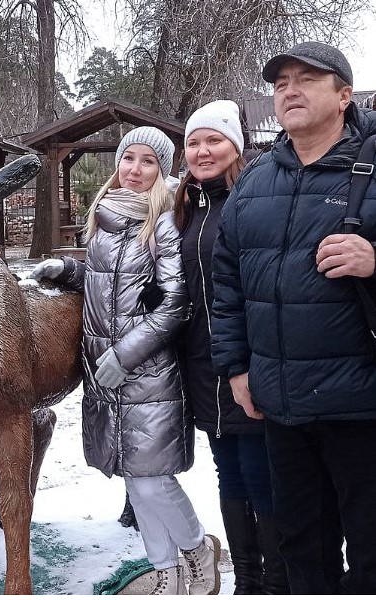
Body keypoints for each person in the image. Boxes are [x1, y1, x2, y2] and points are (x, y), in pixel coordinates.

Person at [210, 42, 376, 594]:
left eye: (308, 79)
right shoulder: (255, 183)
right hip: (282, 407)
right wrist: (236, 368)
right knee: (303, 548)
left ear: (345, 95)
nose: (290, 90)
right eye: (281, 83)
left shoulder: (371, 171)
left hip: (362, 405)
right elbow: (226, 284)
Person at [31, 126, 220, 595]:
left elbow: (174, 303)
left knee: (154, 482)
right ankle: (167, 573)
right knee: (135, 483)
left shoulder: (166, 222)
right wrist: (69, 272)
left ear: (163, 170)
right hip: (104, 369)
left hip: (148, 371)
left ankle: (199, 553)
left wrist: (124, 353)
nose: (134, 170)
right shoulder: (105, 216)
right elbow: (110, 285)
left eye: (148, 162)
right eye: (128, 159)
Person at [175, 100, 288, 594]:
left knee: (262, 473)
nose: (202, 151)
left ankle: (277, 581)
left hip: (249, 359)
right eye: (194, 143)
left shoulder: (254, 199)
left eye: (213, 140)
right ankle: (247, 578)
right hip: (203, 362)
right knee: (229, 473)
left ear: (235, 147)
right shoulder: (189, 208)